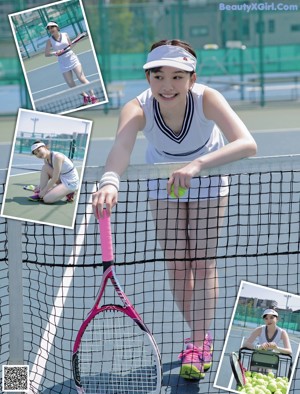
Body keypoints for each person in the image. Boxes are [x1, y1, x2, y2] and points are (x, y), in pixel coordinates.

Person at [92, 39, 257, 380]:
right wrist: (109, 181)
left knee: (202, 261)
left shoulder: (208, 98)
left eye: (177, 77)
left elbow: (246, 143)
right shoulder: (136, 107)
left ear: (192, 79)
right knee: (178, 264)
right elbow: (121, 148)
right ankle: (200, 335)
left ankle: (197, 342)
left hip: (208, 178)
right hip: (162, 182)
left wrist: (197, 164)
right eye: (158, 76)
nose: (167, 85)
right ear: (148, 78)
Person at [44, 21, 99, 106]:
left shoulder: (65, 35)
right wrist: (55, 53)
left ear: (57, 27)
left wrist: (76, 41)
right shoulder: (49, 41)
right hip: (62, 62)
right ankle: (85, 96)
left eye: (52, 27)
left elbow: (70, 46)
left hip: (72, 58)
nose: (51, 29)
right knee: (70, 83)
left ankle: (93, 96)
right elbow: (46, 53)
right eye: (49, 28)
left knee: (81, 78)